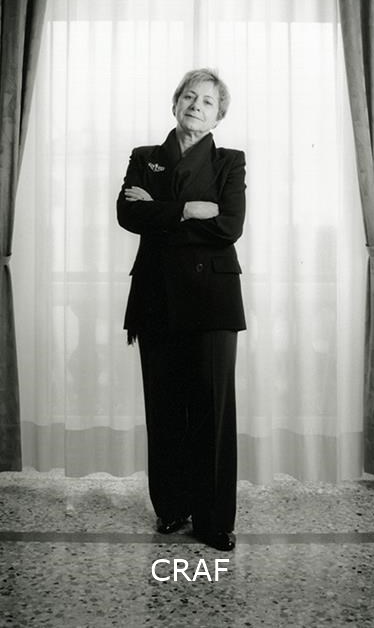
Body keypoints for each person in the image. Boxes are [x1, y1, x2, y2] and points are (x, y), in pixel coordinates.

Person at [116, 68, 246, 552]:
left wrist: (162, 209)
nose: (196, 105)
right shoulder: (145, 157)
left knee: (212, 411)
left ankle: (214, 520)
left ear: (218, 117)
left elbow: (229, 226)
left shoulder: (230, 161)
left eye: (207, 101)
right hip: (156, 294)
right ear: (175, 104)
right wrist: (190, 209)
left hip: (213, 300)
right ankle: (171, 507)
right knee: (165, 406)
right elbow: (128, 214)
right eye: (189, 97)